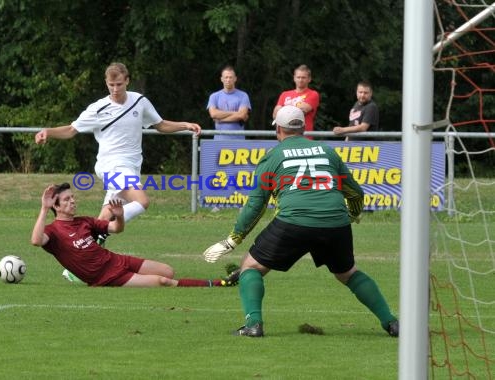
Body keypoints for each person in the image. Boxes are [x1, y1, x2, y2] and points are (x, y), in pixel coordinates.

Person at [202, 105, 399, 338]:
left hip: (293, 223)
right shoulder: (327, 151)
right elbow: (355, 194)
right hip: (335, 224)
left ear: (279, 131)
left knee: (251, 267)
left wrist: (231, 241)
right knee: (348, 273)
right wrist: (352, 215)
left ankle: (253, 325)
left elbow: (256, 205)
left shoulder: (273, 157)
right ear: (303, 128)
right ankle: (392, 323)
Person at [34, 62, 202, 228]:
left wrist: (184, 125)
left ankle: (91, 240)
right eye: (111, 85)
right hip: (111, 165)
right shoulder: (98, 108)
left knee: (107, 212)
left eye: (119, 84)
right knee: (142, 201)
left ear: (127, 81)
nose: (115, 89)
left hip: (132, 165)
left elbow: (160, 124)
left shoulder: (139, 101)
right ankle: (99, 228)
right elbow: (71, 129)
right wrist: (48, 131)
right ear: (106, 83)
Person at [31, 183, 240, 287]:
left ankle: (214, 283)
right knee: (163, 282)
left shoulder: (84, 221)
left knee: (168, 270)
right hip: (107, 277)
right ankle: (219, 284)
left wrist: (119, 216)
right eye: (66, 200)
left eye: (73, 198)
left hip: (116, 260)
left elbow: (116, 229)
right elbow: (35, 241)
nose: (72, 201)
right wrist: (43, 209)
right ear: (55, 205)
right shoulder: (53, 231)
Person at [273, 64, 320, 138]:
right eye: (298, 77)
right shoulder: (284, 94)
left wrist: (283, 110)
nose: (300, 80)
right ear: (294, 78)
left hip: (304, 137)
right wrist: (295, 108)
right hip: (285, 138)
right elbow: (275, 114)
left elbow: (302, 110)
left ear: (309, 79)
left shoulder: (313, 94)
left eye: (303, 77)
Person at [207, 65, 252, 140]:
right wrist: (236, 113)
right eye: (226, 77)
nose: (228, 80)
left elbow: (241, 115)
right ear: (221, 79)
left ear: (235, 79)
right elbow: (213, 114)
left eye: (231, 77)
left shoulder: (243, 95)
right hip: (219, 141)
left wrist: (220, 120)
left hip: (238, 141)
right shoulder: (214, 96)